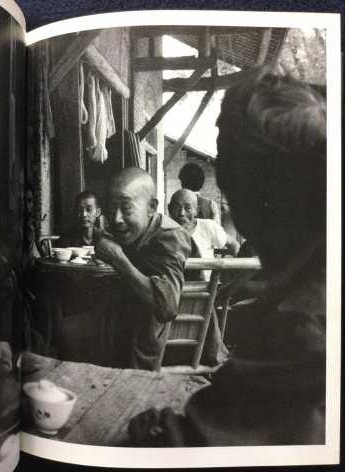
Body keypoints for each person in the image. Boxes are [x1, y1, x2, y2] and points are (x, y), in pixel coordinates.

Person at [129, 68, 327, 446]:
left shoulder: (300, 326)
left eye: (227, 172)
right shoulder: (316, 278)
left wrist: (164, 434)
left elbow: (212, 443)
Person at [95, 167, 192, 371]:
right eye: (112, 208)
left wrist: (118, 259)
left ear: (151, 207)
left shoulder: (171, 236)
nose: (116, 218)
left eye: (126, 208)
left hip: (176, 343)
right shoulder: (136, 230)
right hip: (128, 329)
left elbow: (167, 306)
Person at [168, 189, 239, 280]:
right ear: (169, 209)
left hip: (207, 288)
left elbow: (233, 244)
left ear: (196, 210)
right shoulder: (162, 230)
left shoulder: (207, 226)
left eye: (188, 208)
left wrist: (237, 272)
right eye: (177, 207)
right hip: (173, 287)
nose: (181, 213)